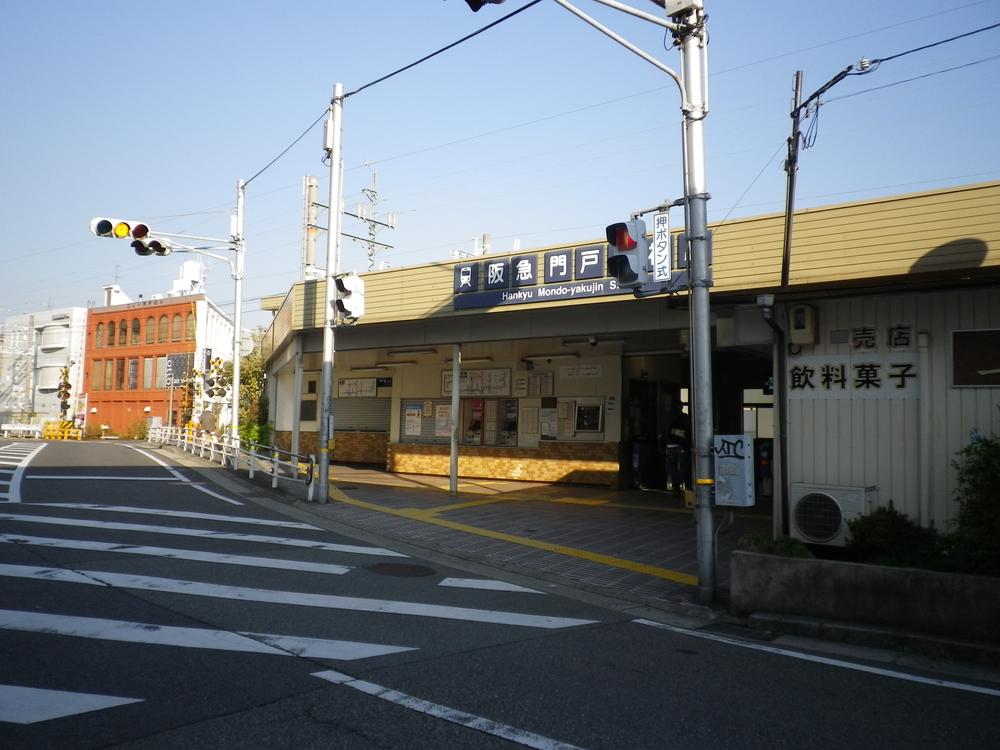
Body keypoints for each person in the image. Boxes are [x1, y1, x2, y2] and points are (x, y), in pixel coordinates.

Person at [664, 406, 692, 497]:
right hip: (681, 445)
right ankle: (684, 485)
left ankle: (676, 488)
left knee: (672, 466)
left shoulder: (667, 417)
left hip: (670, 445)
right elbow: (688, 430)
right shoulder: (684, 417)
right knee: (684, 466)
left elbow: (666, 431)